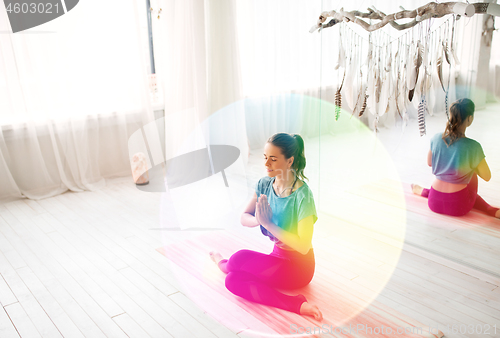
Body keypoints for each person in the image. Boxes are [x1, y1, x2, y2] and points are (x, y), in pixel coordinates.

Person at [209, 132, 323, 320]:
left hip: (299, 267)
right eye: (265, 158)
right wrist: (259, 221)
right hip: (277, 258)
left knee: (238, 259)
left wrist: (269, 224)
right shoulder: (264, 184)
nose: (266, 164)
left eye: (273, 159)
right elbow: (244, 216)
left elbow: (303, 245)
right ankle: (226, 266)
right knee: (232, 281)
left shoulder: (303, 195)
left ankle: (296, 304)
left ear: (289, 161)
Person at [412, 98, 500, 218]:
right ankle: (489, 209)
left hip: (433, 202)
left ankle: (423, 191)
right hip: (458, 207)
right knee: (472, 171)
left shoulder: (436, 138)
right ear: (469, 118)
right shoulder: (473, 146)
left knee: (449, 174)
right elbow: (487, 176)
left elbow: (429, 163)